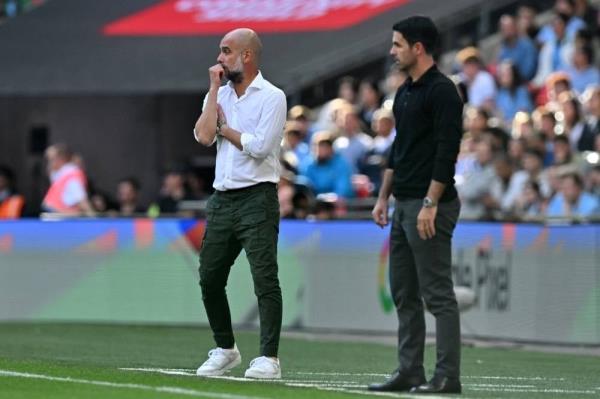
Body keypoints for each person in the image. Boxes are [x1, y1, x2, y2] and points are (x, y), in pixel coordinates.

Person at [369, 16, 463, 394]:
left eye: (397, 44)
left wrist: (430, 202)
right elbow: (399, 149)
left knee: (437, 295)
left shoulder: (443, 92)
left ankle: (447, 376)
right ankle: (410, 371)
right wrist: (382, 196)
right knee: (404, 293)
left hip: (429, 206)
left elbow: (447, 152)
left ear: (417, 48)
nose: (392, 51)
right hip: (404, 203)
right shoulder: (405, 92)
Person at [192, 28, 286, 379]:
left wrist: (226, 130)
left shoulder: (272, 96)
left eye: (226, 51)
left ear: (246, 56)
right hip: (222, 198)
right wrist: (215, 91)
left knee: (265, 278)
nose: (220, 58)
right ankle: (225, 348)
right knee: (209, 277)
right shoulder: (219, 95)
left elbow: (261, 147)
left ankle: (269, 359)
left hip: (257, 197)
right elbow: (203, 135)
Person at [42, 143, 94, 216]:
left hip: (55, 214)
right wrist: (92, 216)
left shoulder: (68, 174)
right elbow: (81, 199)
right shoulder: (69, 174)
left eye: (52, 159)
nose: (50, 163)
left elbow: (80, 199)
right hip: (56, 215)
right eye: (49, 160)